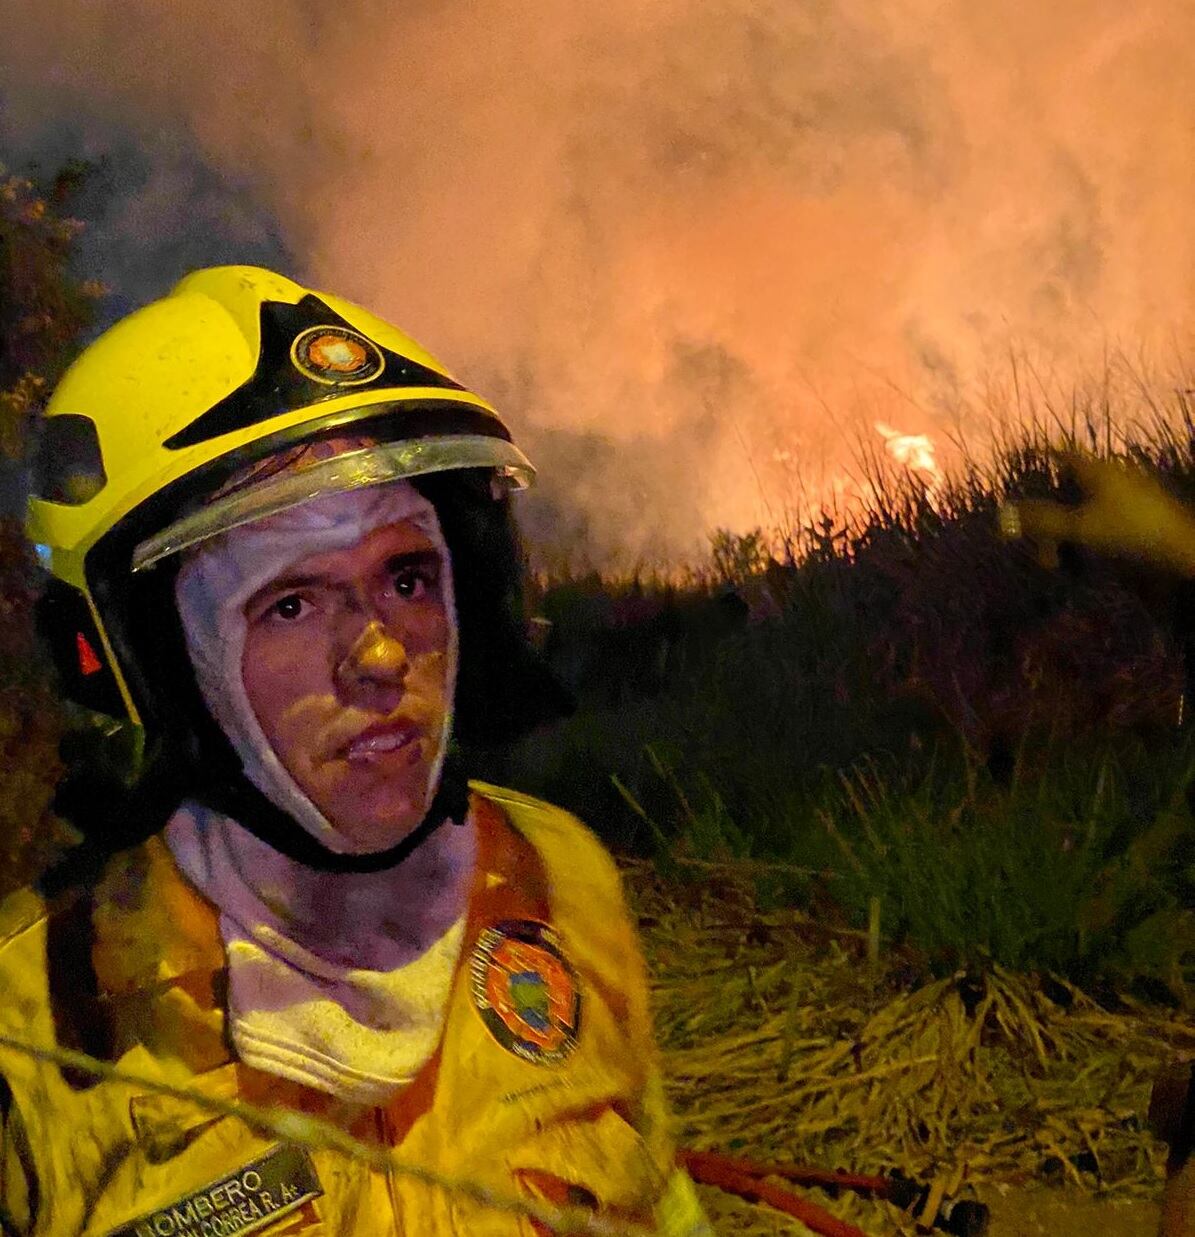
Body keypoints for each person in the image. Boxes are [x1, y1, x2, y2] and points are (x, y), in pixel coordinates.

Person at [0, 266, 712, 1235]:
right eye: (291, 603)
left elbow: (659, 1200)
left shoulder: (560, 876)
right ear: (150, 665)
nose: (380, 653)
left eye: (408, 578)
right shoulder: (32, 1021)